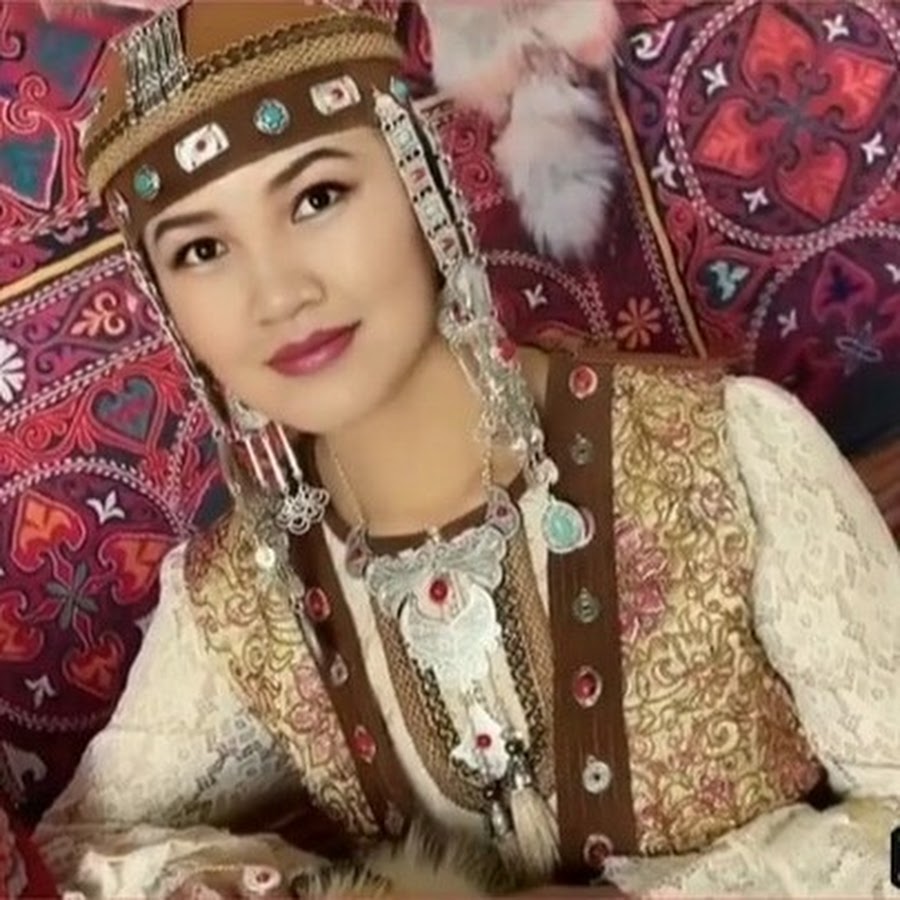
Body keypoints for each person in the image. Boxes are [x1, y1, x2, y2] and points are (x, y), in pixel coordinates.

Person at [34, 2, 900, 898]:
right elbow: (72, 854)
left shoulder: (727, 451)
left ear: (423, 186)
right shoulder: (241, 594)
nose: (279, 293)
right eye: (202, 249)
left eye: (318, 198)